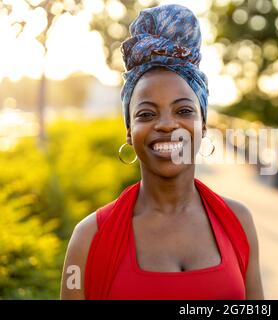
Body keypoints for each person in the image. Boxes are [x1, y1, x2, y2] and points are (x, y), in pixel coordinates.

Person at [60, 4, 264, 300]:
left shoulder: (238, 222)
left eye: (183, 110)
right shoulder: (89, 239)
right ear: (129, 131)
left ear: (203, 124)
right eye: (146, 114)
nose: (167, 125)